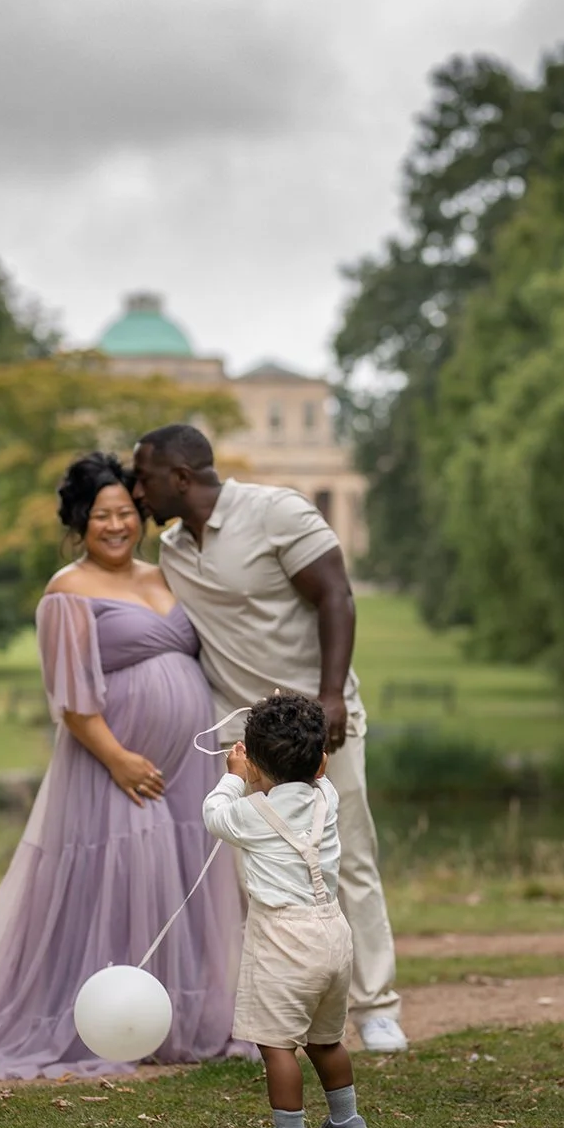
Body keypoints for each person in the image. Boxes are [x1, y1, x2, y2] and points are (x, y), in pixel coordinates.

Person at [0, 451, 246, 1081]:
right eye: (102, 515)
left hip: (188, 770)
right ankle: (106, 1021)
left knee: (179, 887)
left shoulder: (165, 577)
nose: (117, 525)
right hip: (115, 768)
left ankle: (176, 1022)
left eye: (126, 512)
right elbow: (71, 699)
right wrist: (120, 758)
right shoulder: (66, 591)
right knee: (122, 885)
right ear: (79, 521)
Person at [133, 423, 407, 1054]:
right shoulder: (173, 550)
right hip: (245, 737)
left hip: (321, 724)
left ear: (179, 477)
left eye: (144, 478)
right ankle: (271, 1018)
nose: (137, 491)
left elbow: (336, 594)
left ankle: (377, 1007)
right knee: (255, 874)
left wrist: (332, 693)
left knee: (350, 862)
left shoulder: (276, 510)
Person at [203, 693, 372, 1128]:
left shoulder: (250, 813)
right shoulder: (328, 796)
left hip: (283, 938)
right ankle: (345, 1124)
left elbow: (213, 814)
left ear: (254, 765)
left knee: (276, 1044)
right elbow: (303, 775)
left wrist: (234, 778)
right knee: (326, 1039)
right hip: (333, 934)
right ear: (321, 764)